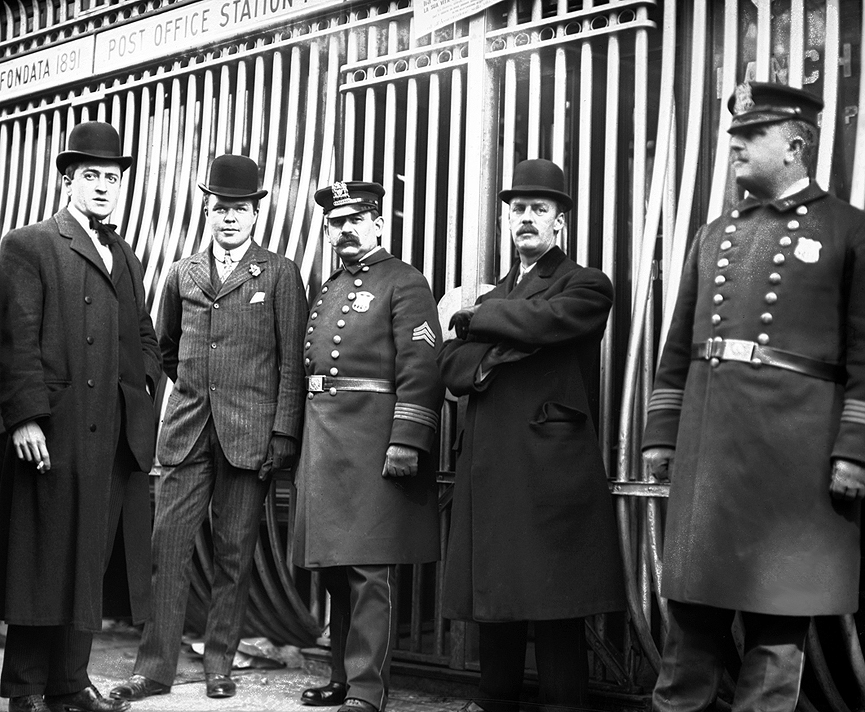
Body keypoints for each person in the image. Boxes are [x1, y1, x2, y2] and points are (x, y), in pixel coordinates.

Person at [642, 82, 865, 712]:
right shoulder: (715, 234)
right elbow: (679, 344)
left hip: (796, 461)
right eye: (733, 134)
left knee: (777, 632)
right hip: (711, 454)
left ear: (795, 144)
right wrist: (663, 433)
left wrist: (855, 447)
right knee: (690, 622)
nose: (733, 144)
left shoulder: (849, 230)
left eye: (750, 135)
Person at [109, 154, 308, 702]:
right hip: (188, 430)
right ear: (206, 210)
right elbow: (168, 347)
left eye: (239, 209)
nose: (229, 218)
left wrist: (283, 434)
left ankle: (220, 662)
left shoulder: (279, 273)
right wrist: (202, 389)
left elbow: (291, 361)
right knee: (166, 548)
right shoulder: (184, 272)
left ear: (255, 215)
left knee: (234, 551)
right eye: (220, 208)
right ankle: (154, 669)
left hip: (250, 437)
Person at [438, 158, 625, 712]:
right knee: (498, 594)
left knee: (556, 601)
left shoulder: (587, 282)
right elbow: (449, 366)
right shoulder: (495, 292)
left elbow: (553, 320)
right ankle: (494, 700)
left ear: (559, 222)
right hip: (493, 465)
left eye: (538, 210)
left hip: (550, 466)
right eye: (518, 210)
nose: (526, 218)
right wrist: (491, 355)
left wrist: (477, 320)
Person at [0, 121, 162, 712]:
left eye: (112, 177)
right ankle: (22, 690)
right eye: (91, 176)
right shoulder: (30, 244)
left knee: (89, 559)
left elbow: (145, 335)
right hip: (56, 430)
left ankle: (69, 685)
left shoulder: (125, 254)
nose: (102, 186)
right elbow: (14, 340)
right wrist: (25, 419)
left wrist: (142, 386)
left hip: (114, 432)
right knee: (42, 560)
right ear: (68, 181)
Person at [293, 181, 444, 712]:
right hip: (326, 445)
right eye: (337, 223)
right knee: (336, 572)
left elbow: (421, 367)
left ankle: (366, 690)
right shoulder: (330, 285)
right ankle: (340, 676)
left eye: (356, 220)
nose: (346, 230)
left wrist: (407, 438)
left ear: (379, 224)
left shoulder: (404, 282)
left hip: (374, 443)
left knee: (368, 573)